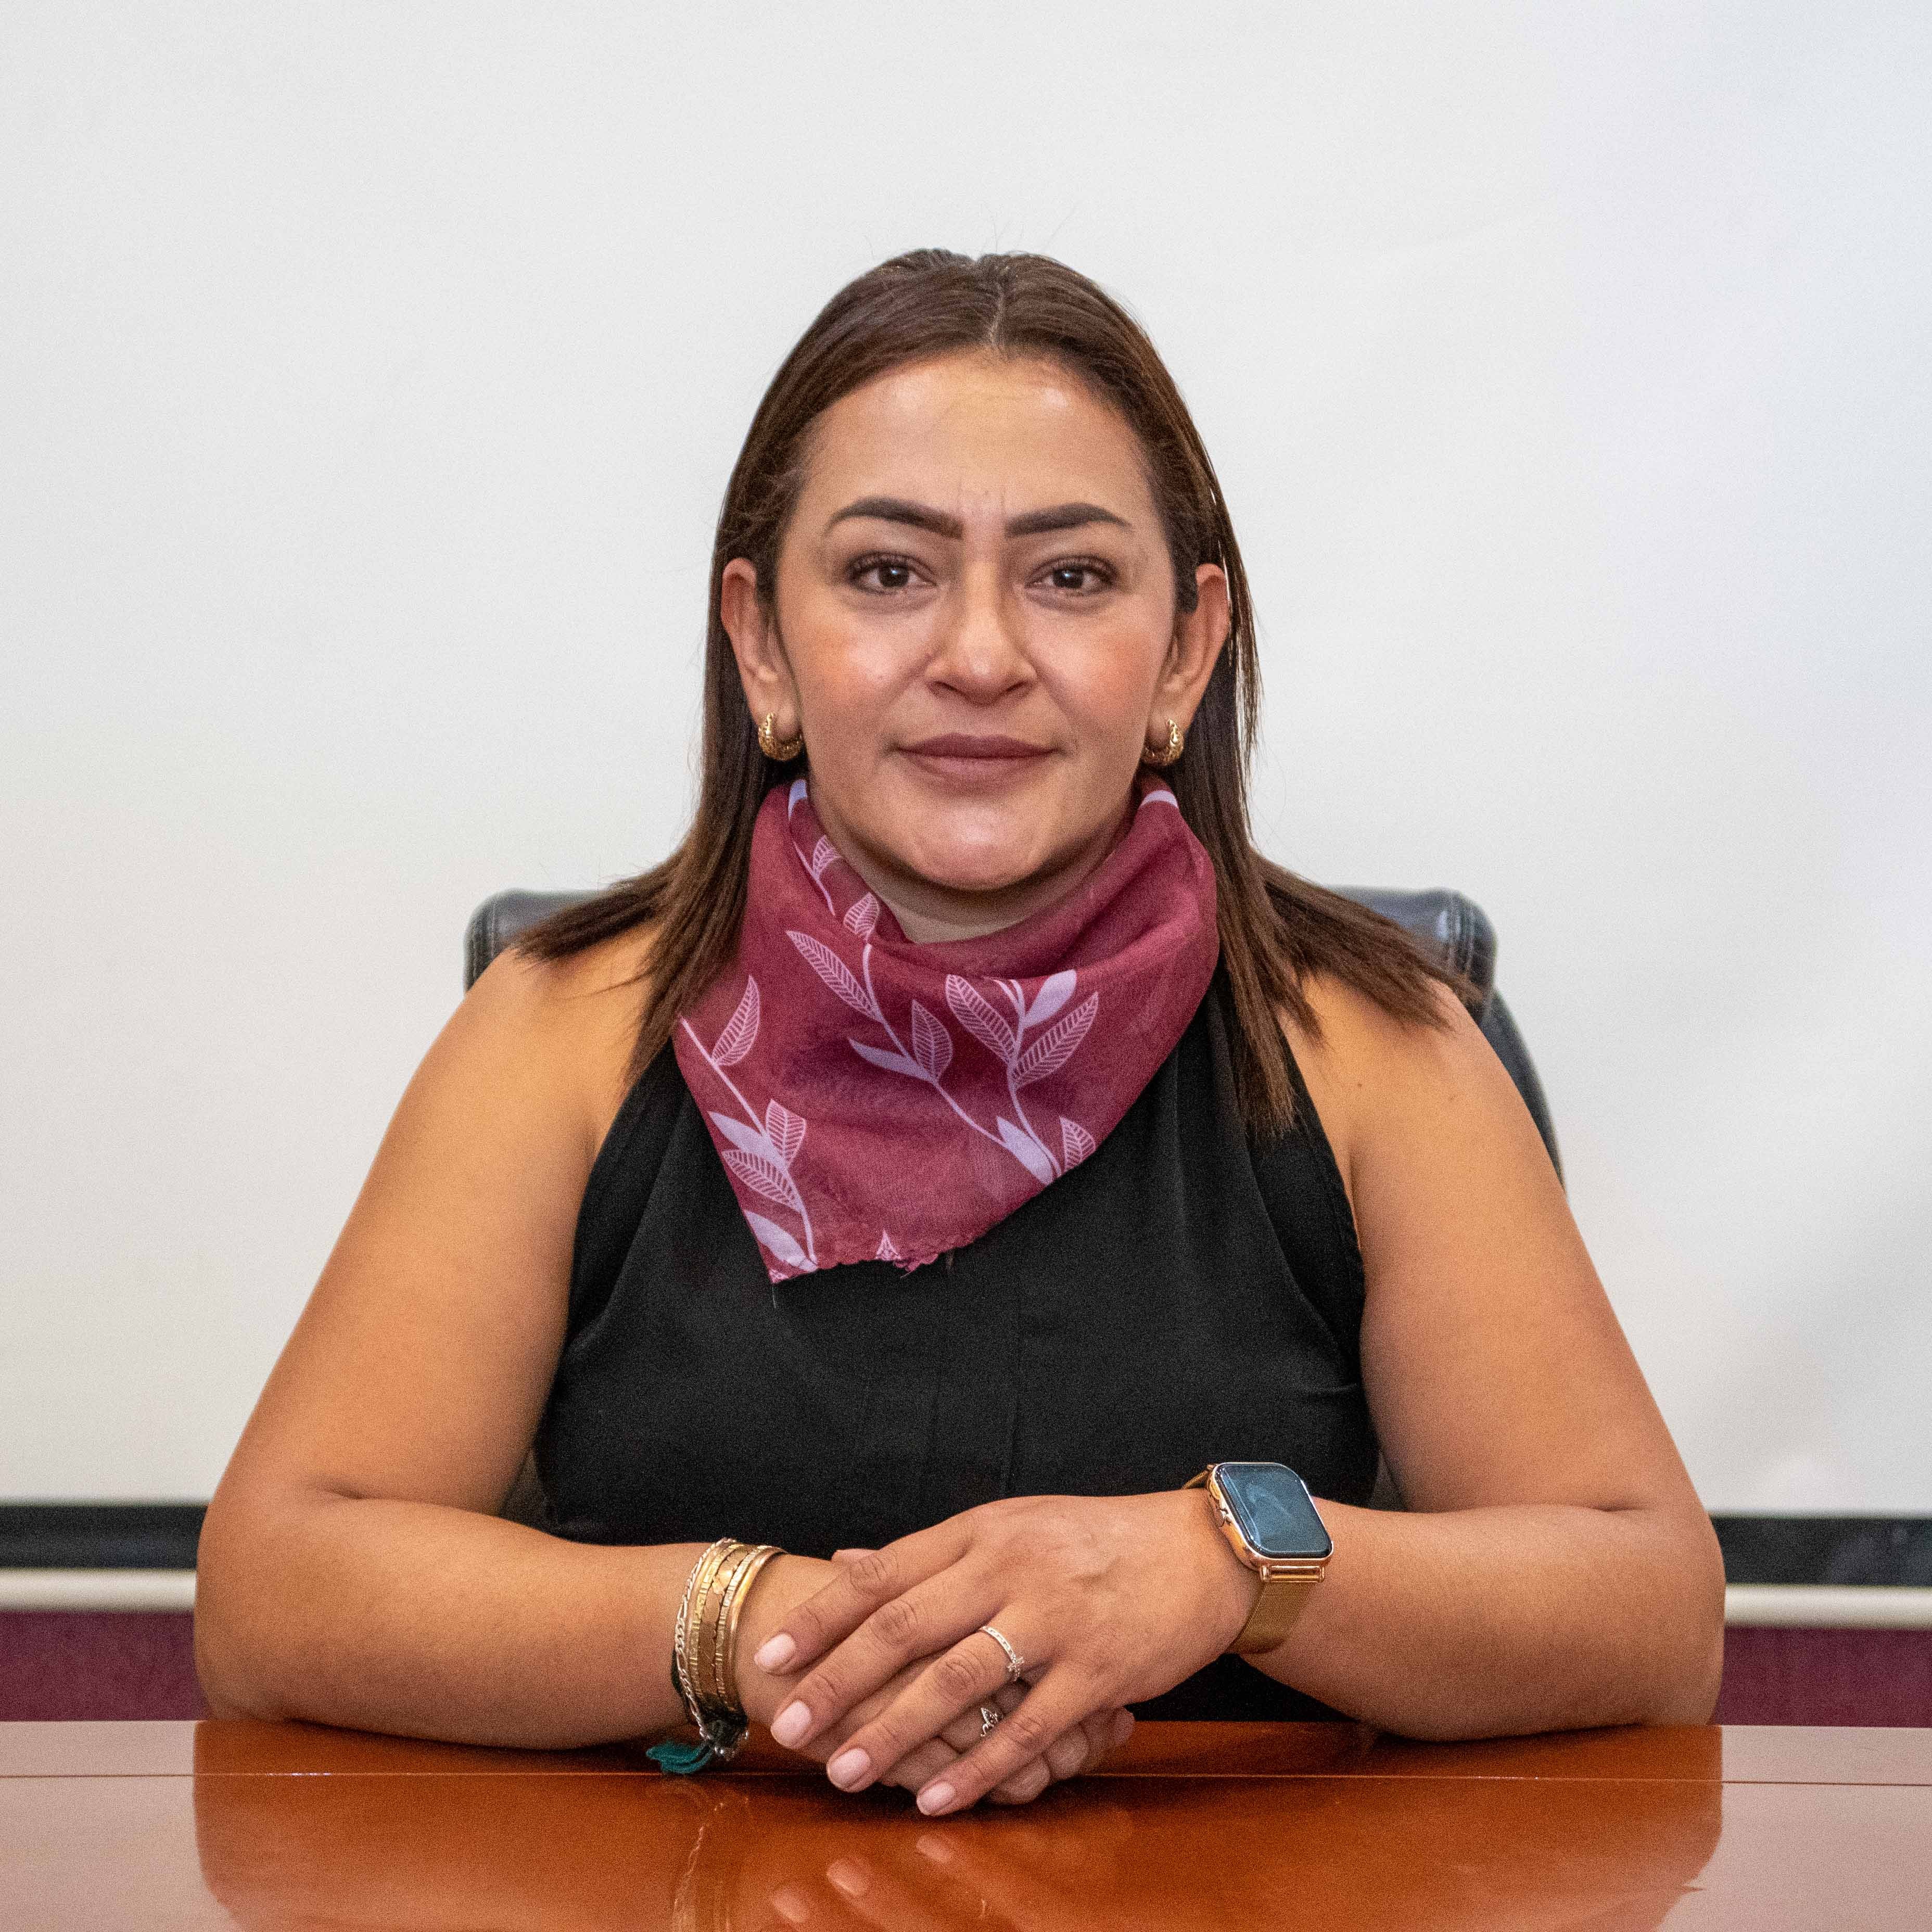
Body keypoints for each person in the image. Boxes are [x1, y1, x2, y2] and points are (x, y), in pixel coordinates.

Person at [195, 249, 1725, 1818]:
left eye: (1072, 578)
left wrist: (1222, 1564)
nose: (981, 656)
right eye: (887, 574)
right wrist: (764, 1628)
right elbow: (277, 1591)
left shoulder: (1374, 1052)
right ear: (763, 643)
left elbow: (1647, 1611)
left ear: (1185, 650)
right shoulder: (563, 1035)